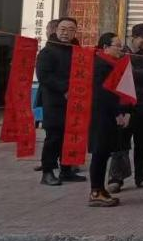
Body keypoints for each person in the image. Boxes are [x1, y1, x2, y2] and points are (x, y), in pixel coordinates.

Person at [108, 23, 143, 193]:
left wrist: (136, 75)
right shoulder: (122, 54)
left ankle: (142, 177)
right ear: (133, 37)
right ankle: (116, 178)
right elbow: (122, 76)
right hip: (126, 105)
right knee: (121, 142)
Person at [36, 17, 86, 186]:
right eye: (63, 29)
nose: (66, 33)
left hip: (74, 101)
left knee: (70, 135)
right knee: (54, 137)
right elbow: (44, 76)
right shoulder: (47, 52)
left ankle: (66, 170)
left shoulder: (77, 51)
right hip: (54, 101)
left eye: (71, 30)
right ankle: (47, 172)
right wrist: (65, 89)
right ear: (56, 30)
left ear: (75, 32)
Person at [87, 33, 131, 207]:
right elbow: (105, 95)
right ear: (105, 47)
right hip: (101, 116)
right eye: (117, 46)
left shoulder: (112, 64)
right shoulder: (100, 65)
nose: (121, 49)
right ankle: (96, 192)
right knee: (99, 153)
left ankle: (100, 189)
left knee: (104, 153)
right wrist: (118, 113)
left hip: (108, 116)